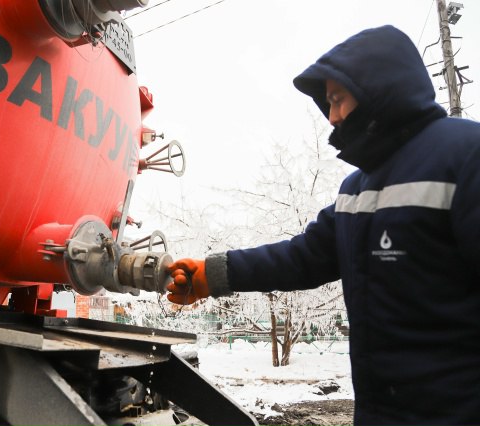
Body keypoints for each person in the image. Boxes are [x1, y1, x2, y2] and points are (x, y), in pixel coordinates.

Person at [167, 25, 480, 425]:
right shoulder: (357, 188)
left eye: (337, 100)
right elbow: (303, 257)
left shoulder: (465, 156)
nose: (331, 117)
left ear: (377, 90)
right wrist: (211, 276)